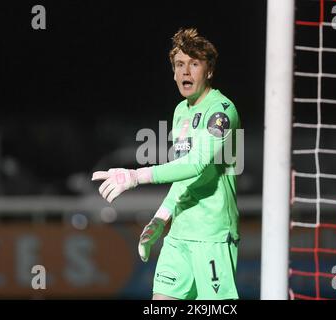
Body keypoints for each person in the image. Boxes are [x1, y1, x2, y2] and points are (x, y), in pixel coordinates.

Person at [92, 28, 241, 300]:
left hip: (212, 236)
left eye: (194, 64)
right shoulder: (180, 111)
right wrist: (163, 216)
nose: (186, 72)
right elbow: (182, 174)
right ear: (173, 73)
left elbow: (196, 164)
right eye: (180, 65)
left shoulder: (221, 111)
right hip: (178, 235)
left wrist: (136, 176)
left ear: (209, 71)